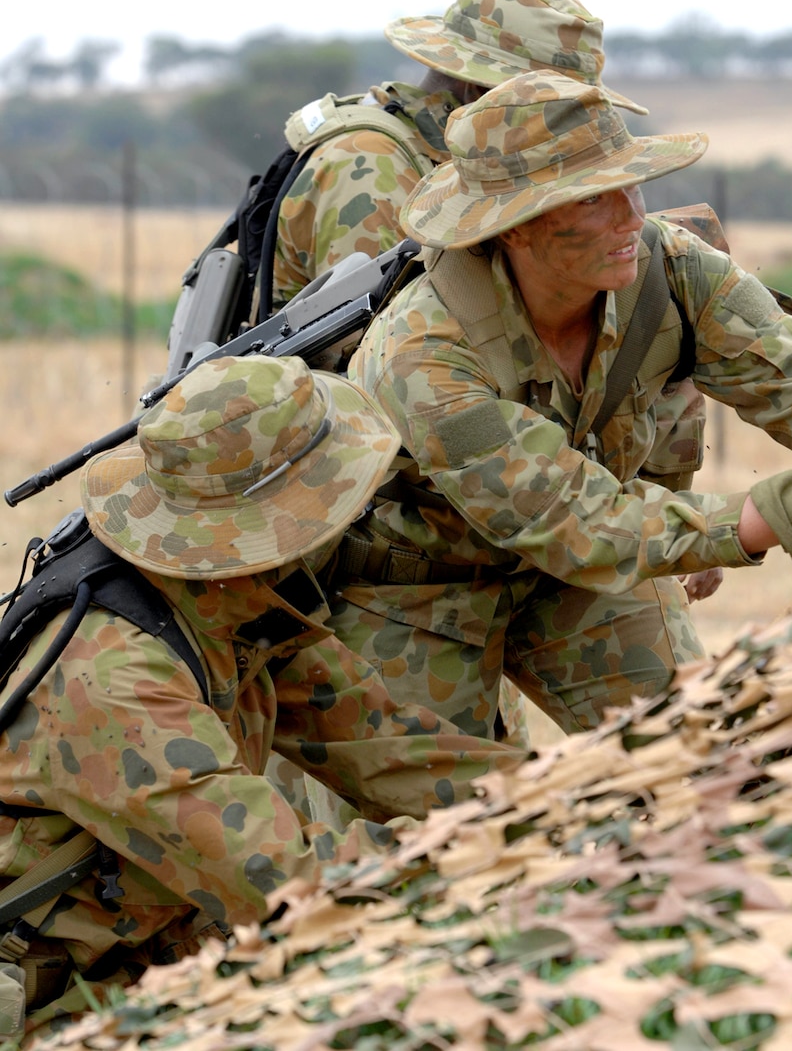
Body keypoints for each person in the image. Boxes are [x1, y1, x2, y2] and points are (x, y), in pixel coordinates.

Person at [0, 354, 524, 1043]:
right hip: (57, 1006)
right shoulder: (114, 681)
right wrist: (496, 849)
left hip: (150, 956)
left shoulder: (231, 602)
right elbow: (289, 887)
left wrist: (564, 794)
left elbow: (388, 745)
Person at [323, 69, 792, 736]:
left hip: (582, 581)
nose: (633, 217)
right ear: (513, 227)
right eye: (590, 200)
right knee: (428, 827)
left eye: (630, 184)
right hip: (415, 589)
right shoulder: (422, 352)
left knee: (697, 757)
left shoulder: (678, 273)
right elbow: (573, 517)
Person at [272, 0, 648, 304]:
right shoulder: (370, 165)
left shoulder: (463, 158)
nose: (567, 128)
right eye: (552, 109)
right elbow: (375, 346)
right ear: (477, 92)